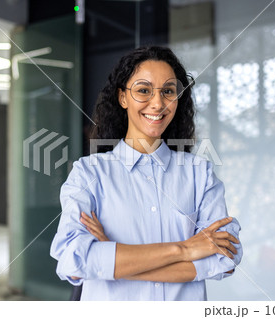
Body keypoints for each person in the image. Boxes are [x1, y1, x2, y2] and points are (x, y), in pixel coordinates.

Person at [50, 46, 242, 301]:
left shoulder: (200, 175)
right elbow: (73, 259)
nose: (158, 103)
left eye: (168, 92)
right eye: (143, 90)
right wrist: (185, 249)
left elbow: (225, 258)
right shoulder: (88, 175)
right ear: (122, 97)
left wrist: (113, 258)